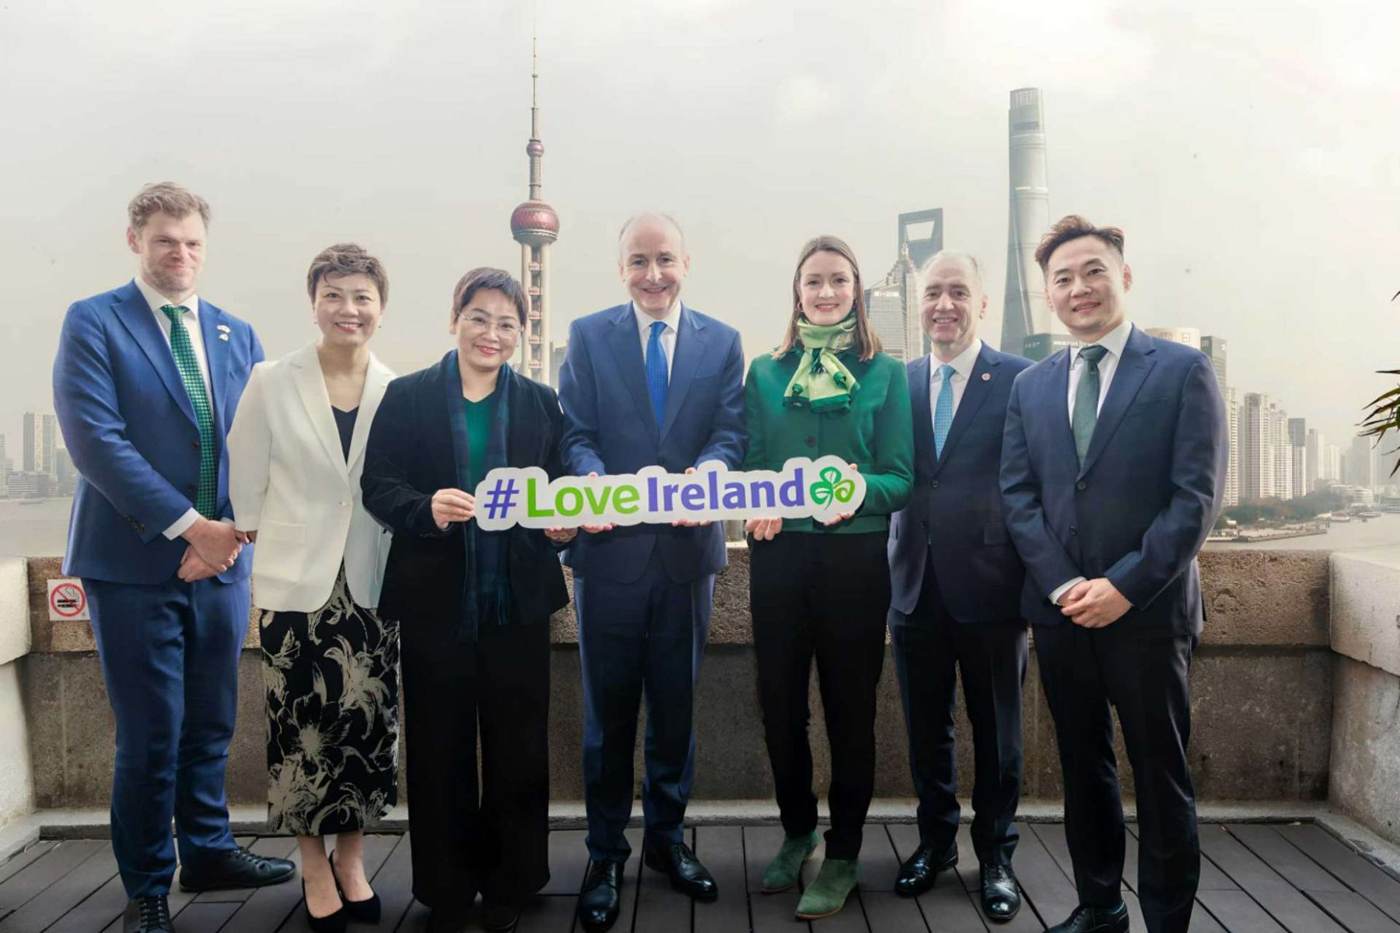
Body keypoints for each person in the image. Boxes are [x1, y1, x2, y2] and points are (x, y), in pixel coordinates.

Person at [52, 182, 293, 933]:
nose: (179, 255)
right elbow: (97, 441)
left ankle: (210, 850)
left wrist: (232, 534)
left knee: (212, 722)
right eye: (164, 241)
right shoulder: (94, 322)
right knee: (151, 732)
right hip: (131, 566)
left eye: (191, 242)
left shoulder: (235, 333)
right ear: (135, 242)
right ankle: (147, 885)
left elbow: (259, 448)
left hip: (222, 563)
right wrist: (191, 528)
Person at [1000, 216, 1227, 933]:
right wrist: (1067, 585)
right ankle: (1100, 906)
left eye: (1092, 271)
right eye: (1062, 278)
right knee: (1084, 769)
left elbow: (1195, 500)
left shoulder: (1182, 370)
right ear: (1047, 295)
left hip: (1149, 615)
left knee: (1161, 777)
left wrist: (1124, 585)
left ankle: (1167, 921)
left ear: (1123, 276)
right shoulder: (1032, 386)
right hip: (1062, 616)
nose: (1079, 288)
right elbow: (1019, 496)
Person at [361, 267, 573, 933]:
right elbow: (377, 484)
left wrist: (563, 517)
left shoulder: (542, 403)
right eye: (480, 317)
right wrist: (424, 507)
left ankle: (514, 879)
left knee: (519, 746)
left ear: (521, 332)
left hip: (517, 601)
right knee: (438, 746)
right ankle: (446, 886)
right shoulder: (408, 396)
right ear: (455, 318)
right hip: (436, 604)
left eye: (508, 323)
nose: (493, 332)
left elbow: (566, 483)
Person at [557, 213, 746, 933]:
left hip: (686, 560)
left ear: (686, 262)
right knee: (607, 720)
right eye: (639, 260)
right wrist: (594, 480)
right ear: (621, 268)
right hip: (607, 561)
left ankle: (668, 837)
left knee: (676, 711)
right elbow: (574, 429)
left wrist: (711, 470)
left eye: (665, 259)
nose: (653, 274)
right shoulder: (587, 335)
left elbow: (730, 430)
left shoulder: (722, 341)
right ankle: (606, 853)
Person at [227, 244, 398, 932]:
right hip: (295, 585)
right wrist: (264, 533)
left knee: (366, 728)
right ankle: (311, 860)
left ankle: (351, 858)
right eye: (334, 294)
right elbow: (247, 478)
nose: (348, 309)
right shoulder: (272, 379)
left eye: (361, 296)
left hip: (370, 581)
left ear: (380, 307)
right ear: (314, 301)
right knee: (300, 733)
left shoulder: (396, 386)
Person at [742, 235, 913, 921]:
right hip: (779, 559)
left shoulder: (886, 373)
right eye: (813, 281)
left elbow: (900, 478)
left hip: (854, 561)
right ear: (797, 291)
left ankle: (843, 851)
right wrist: (757, 504)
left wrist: (855, 490)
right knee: (779, 705)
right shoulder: (764, 371)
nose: (825, 292)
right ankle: (797, 829)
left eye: (838, 280)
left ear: (857, 289)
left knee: (851, 710)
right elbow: (753, 461)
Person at [885, 251, 1031, 921]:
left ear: (981, 304)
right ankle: (935, 842)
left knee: (998, 731)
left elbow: (1032, 487)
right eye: (933, 293)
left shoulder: (1022, 381)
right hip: (913, 583)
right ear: (921, 304)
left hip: (993, 588)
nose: (944, 304)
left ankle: (996, 855)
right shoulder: (898, 382)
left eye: (958, 292)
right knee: (926, 729)